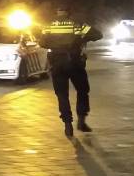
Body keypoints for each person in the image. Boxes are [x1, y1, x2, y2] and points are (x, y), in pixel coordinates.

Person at [40, 10, 102, 138]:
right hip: (74, 62)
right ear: (69, 12)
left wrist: (56, 45)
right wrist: (83, 39)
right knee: (83, 90)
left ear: (57, 12)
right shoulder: (77, 24)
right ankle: (81, 120)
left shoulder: (49, 25)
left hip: (57, 63)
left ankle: (67, 125)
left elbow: (42, 42)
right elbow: (98, 35)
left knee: (62, 94)